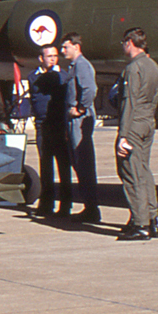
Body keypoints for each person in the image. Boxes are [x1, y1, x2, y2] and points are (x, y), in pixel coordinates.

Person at [115, 27, 158, 241]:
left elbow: (129, 102)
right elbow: (154, 98)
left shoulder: (133, 68)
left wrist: (122, 135)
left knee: (131, 173)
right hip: (147, 123)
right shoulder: (152, 66)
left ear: (129, 42)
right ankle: (151, 218)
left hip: (133, 124)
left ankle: (141, 223)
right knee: (143, 170)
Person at [61, 32, 100, 222]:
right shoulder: (74, 66)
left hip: (79, 120)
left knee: (83, 162)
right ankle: (89, 205)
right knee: (78, 162)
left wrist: (81, 108)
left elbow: (90, 89)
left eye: (65, 47)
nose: (63, 51)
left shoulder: (82, 65)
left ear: (76, 46)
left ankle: (92, 208)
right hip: (72, 119)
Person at [29, 43, 72, 217]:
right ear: (41, 58)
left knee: (63, 165)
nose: (53, 59)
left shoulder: (62, 76)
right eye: (49, 56)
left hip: (58, 124)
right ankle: (46, 203)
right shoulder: (34, 77)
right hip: (42, 124)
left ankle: (66, 204)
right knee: (45, 165)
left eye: (55, 56)